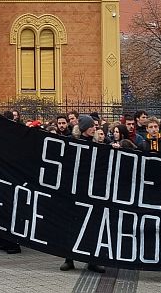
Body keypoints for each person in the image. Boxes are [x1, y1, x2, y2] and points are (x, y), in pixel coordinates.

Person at [60, 115, 105, 274]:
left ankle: (92, 261)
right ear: (85, 127)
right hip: (75, 190)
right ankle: (69, 259)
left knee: (92, 226)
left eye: (94, 126)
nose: (94, 128)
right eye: (91, 126)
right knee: (72, 224)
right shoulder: (73, 142)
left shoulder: (97, 144)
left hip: (92, 191)